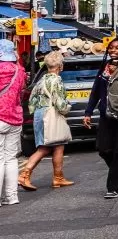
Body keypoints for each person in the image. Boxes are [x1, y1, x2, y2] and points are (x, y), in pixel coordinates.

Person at [84, 38, 118, 198]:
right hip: (106, 115)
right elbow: (96, 90)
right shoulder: (104, 67)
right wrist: (88, 112)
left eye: (117, 48)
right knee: (103, 149)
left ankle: (114, 187)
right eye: (111, 48)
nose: (113, 50)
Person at [20, 51, 74, 191]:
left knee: (57, 145)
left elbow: (31, 100)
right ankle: (24, 174)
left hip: (39, 114)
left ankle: (58, 177)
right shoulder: (56, 80)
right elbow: (60, 103)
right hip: (50, 115)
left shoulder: (41, 80)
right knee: (45, 147)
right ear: (60, 66)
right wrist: (67, 107)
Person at [0, 40, 26, 205]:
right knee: (11, 158)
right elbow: (21, 93)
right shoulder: (20, 70)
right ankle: (11, 196)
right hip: (15, 118)